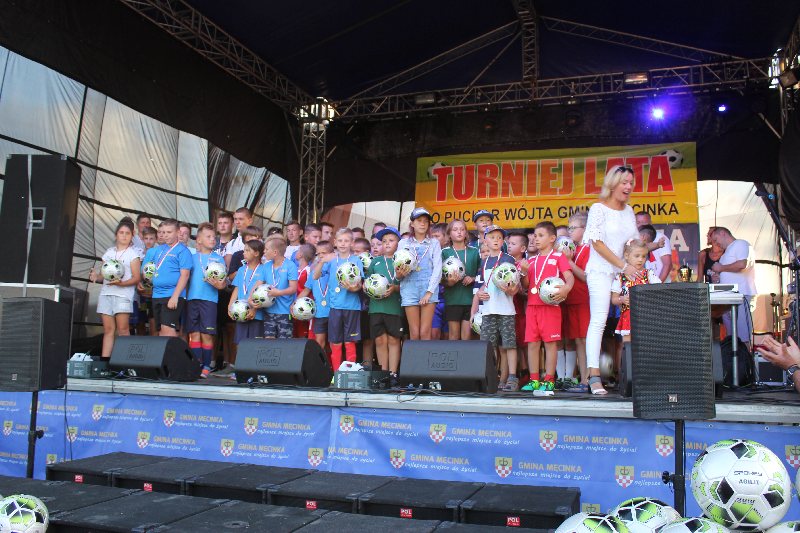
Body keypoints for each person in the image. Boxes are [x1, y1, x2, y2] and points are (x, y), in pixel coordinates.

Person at [583, 165, 641, 395]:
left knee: (631, 320)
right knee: (599, 320)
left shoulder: (629, 211)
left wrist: (639, 256)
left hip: (623, 273)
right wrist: (623, 265)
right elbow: (596, 243)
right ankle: (594, 375)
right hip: (600, 270)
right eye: (624, 182)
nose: (628, 187)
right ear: (612, 183)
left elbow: (634, 243)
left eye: (631, 183)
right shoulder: (598, 209)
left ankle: (631, 373)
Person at [519, 221, 574, 396]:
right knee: (532, 344)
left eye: (540, 235)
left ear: (552, 238)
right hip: (532, 306)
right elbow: (526, 285)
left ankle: (549, 380)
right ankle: (534, 380)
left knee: (550, 344)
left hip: (550, 307)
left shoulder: (558, 257)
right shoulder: (531, 260)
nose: (536, 239)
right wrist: (524, 272)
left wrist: (566, 288)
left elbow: (569, 277)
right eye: (535, 236)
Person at [471, 225, 519, 392]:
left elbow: (515, 286)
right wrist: (480, 294)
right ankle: (490, 377)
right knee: (487, 346)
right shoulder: (484, 261)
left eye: (499, 238)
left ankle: (512, 377)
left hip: (506, 310)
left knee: (509, 345)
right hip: (488, 310)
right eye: (492, 237)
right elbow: (483, 286)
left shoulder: (508, 259)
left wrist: (510, 290)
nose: (496, 240)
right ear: (485, 241)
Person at [90, 217, 142, 358]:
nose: (124, 236)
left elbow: (137, 278)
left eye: (127, 233)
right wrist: (96, 277)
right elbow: (104, 275)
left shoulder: (133, 254)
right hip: (106, 294)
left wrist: (121, 284)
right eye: (121, 233)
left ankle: (126, 361)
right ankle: (105, 360)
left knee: (123, 329)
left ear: (132, 236)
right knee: (108, 330)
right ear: (116, 235)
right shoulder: (109, 253)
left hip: (123, 295)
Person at [313, 228, 364, 370]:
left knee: (349, 341)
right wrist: (322, 261)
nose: (343, 244)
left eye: (346, 241)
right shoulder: (331, 260)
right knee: (335, 342)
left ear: (352, 243)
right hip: (335, 307)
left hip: (352, 307)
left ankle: (350, 373)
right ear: (335, 242)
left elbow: (360, 285)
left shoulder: (356, 260)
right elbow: (315, 276)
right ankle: (337, 374)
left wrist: (353, 288)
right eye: (340, 240)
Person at [186, 223, 227, 377]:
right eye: (208, 237)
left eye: (214, 237)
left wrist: (219, 284)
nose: (212, 239)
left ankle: (206, 366)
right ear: (199, 240)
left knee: (207, 334)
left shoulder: (218, 258)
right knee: (194, 334)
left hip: (209, 301)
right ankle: (196, 364)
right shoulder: (191, 258)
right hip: (192, 299)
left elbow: (223, 283)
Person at [396, 208, 443, 340]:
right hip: (409, 289)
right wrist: (399, 274)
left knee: (425, 332)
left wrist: (429, 292)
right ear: (412, 223)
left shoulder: (434, 243)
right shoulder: (403, 243)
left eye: (426, 221)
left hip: (429, 289)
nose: (423, 224)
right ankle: (415, 355)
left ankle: (425, 355)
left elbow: (438, 268)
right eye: (419, 220)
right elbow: (397, 269)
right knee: (414, 332)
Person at [368, 227, 405, 386]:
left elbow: (408, 285)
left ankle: (393, 373)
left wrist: (395, 287)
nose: (387, 243)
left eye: (391, 240)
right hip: (376, 307)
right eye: (384, 241)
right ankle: (383, 374)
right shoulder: (375, 261)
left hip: (394, 308)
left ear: (398, 243)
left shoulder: (402, 261)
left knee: (394, 339)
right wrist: (369, 288)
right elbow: (367, 282)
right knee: (380, 340)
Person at [710, 227, 757, 347]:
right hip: (727, 297)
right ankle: (734, 357)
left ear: (723, 233)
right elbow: (728, 272)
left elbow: (742, 264)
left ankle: (745, 357)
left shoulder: (740, 244)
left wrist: (721, 268)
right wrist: (718, 277)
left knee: (742, 334)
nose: (716, 243)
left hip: (741, 294)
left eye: (716, 239)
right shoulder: (726, 253)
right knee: (731, 337)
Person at [148, 219, 193, 337]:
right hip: (156, 294)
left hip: (171, 294)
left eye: (169, 232)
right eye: (163, 232)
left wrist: (175, 296)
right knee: (161, 331)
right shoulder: (159, 249)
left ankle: (174, 350)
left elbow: (185, 275)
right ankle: (166, 350)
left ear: (178, 232)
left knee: (168, 329)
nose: (165, 235)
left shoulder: (183, 251)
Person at [610, 239, 661, 343]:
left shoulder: (649, 274)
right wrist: (622, 299)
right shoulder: (620, 277)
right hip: (628, 317)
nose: (640, 259)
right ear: (626, 255)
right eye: (637, 256)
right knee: (628, 344)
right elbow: (614, 299)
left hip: (647, 316)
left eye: (644, 256)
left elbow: (659, 290)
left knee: (647, 344)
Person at [562, 211, 591, 393]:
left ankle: (589, 379)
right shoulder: (573, 248)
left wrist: (569, 262)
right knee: (578, 340)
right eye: (569, 228)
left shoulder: (589, 249)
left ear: (585, 229)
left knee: (586, 340)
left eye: (573, 228)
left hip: (585, 300)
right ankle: (583, 379)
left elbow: (586, 277)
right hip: (571, 300)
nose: (570, 231)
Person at [442, 219, 479, 340]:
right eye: (455, 229)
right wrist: (450, 282)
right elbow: (439, 278)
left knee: (466, 336)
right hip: (453, 300)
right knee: (453, 335)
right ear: (449, 234)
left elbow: (482, 274)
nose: (459, 232)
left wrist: (473, 278)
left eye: (462, 229)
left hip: (470, 300)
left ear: (466, 233)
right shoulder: (444, 252)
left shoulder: (474, 251)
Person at [230, 239, 267, 349]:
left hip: (256, 314)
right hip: (240, 312)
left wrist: (254, 309)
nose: (243, 253)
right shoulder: (241, 270)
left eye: (247, 250)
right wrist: (230, 306)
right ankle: (240, 361)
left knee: (255, 345)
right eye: (244, 250)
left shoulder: (264, 269)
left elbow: (263, 294)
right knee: (240, 344)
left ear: (256, 253)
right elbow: (236, 288)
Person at [261, 236, 298, 339]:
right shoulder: (266, 266)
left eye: (266, 249)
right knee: (269, 341)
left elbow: (293, 288)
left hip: (285, 311)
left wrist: (278, 293)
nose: (264, 252)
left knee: (284, 343)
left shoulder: (290, 266)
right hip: (268, 310)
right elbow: (259, 284)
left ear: (275, 252)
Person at [506, 231, 529, 389]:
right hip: (506, 309)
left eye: (513, 244)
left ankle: (529, 374)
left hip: (520, 310)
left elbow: (525, 290)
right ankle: (519, 373)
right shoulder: (505, 263)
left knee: (523, 343)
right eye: (508, 243)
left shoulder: (525, 264)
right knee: (511, 344)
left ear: (523, 248)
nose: (509, 246)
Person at [304, 240, 333, 350]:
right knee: (319, 342)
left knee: (334, 342)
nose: (321, 256)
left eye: (324, 253)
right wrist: (295, 303)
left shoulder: (335, 269)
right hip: (319, 312)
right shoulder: (314, 272)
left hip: (333, 311)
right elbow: (306, 290)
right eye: (318, 254)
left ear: (332, 254)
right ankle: (320, 361)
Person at [353, 237, 374, 364]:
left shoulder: (372, 270)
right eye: (353, 252)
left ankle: (367, 368)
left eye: (357, 251)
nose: (355, 254)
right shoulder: (351, 269)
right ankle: (352, 367)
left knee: (367, 339)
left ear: (366, 252)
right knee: (353, 340)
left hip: (367, 309)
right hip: (353, 309)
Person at [635, 211, 671, 282]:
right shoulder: (633, 239)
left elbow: (667, 264)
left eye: (644, 223)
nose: (641, 225)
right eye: (638, 222)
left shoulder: (660, 237)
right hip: (641, 284)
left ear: (651, 223)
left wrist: (658, 285)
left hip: (659, 284)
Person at [135, 226, 158, 336]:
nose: (148, 241)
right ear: (142, 239)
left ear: (156, 239)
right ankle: (141, 343)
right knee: (140, 320)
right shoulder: (137, 254)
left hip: (154, 292)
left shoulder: (158, 254)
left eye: (151, 238)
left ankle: (153, 343)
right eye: (146, 238)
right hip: (140, 292)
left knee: (153, 318)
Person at [430, 223, 449, 340]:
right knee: (434, 333)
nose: (434, 240)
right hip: (434, 299)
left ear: (447, 238)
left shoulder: (451, 255)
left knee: (448, 335)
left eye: (437, 236)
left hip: (450, 299)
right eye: (432, 237)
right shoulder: (429, 255)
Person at [293, 243, 316, 339]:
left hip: (304, 307)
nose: (296, 252)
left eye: (298, 250)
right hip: (294, 306)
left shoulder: (308, 271)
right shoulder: (294, 270)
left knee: (303, 334)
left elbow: (308, 289)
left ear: (300, 254)